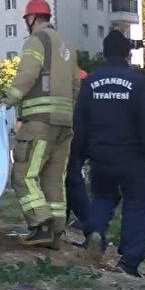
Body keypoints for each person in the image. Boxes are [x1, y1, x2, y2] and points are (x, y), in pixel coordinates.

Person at [72, 29, 145, 277]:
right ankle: (129, 260)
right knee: (137, 202)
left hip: (101, 155)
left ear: (104, 53)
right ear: (126, 53)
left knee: (102, 196)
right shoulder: (136, 82)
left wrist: (80, 154)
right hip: (132, 157)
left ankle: (96, 231)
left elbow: (80, 123)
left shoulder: (90, 82)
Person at [0, 0, 79, 248]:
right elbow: (76, 85)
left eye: (26, 20)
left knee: (23, 173)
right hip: (64, 125)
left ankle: (40, 224)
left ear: (31, 19)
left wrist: (9, 99)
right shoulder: (66, 46)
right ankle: (56, 232)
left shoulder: (37, 41)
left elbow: (28, 73)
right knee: (53, 179)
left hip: (40, 124)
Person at [66, 68, 90, 231]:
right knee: (67, 179)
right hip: (82, 139)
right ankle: (62, 219)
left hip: (72, 139)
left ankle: (87, 218)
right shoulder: (87, 88)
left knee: (70, 178)